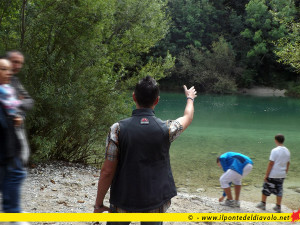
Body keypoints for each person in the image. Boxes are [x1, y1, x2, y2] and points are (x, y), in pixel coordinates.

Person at [93, 76, 197, 225]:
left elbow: (107, 171)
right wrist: (190, 99)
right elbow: (188, 116)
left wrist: (98, 204)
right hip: (154, 200)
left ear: (134, 97)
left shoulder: (117, 129)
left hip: (123, 198)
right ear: (157, 100)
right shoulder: (167, 129)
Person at [256, 134, 290, 213]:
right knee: (279, 189)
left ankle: (263, 204)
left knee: (266, 187)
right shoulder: (287, 151)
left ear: (276, 140)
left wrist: (266, 175)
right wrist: (285, 172)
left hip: (273, 173)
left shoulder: (274, 150)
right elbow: (288, 163)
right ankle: (278, 207)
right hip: (282, 174)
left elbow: (271, 163)